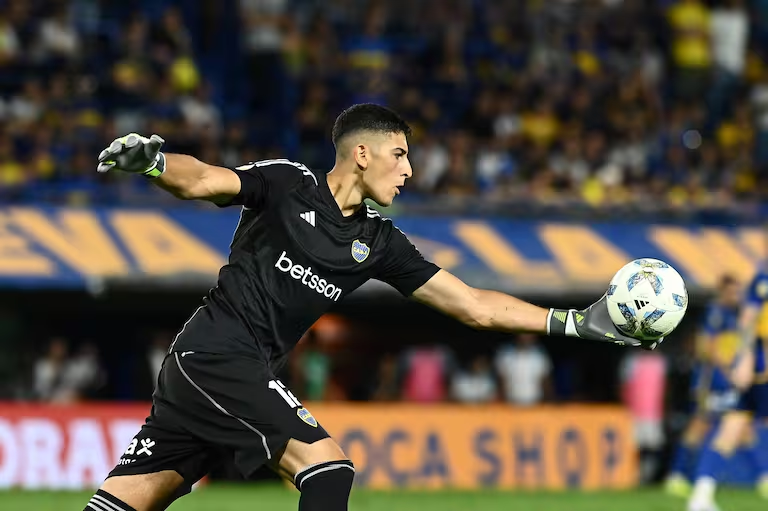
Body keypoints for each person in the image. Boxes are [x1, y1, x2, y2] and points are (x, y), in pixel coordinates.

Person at [83, 104, 654, 511]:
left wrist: (578, 322)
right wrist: (154, 165)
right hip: (214, 354)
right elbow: (205, 180)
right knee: (328, 471)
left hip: (220, 373)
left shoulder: (378, 244)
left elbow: (474, 305)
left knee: (129, 501)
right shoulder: (287, 185)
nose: (409, 170)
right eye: (400, 155)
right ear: (362, 153)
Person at [687, 266, 768, 511]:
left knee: (736, 429)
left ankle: (701, 494)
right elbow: (747, 318)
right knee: (729, 428)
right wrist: (744, 357)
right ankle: (700, 494)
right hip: (758, 369)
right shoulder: (762, 279)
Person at [665, 275, 741, 497]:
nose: (736, 296)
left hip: (722, 381)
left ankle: (689, 476)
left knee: (733, 425)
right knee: (699, 427)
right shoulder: (716, 312)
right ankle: (677, 475)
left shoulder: (731, 314)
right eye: (732, 291)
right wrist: (727, 372)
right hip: (710, 381)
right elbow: (707, 347)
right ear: (722, 291)